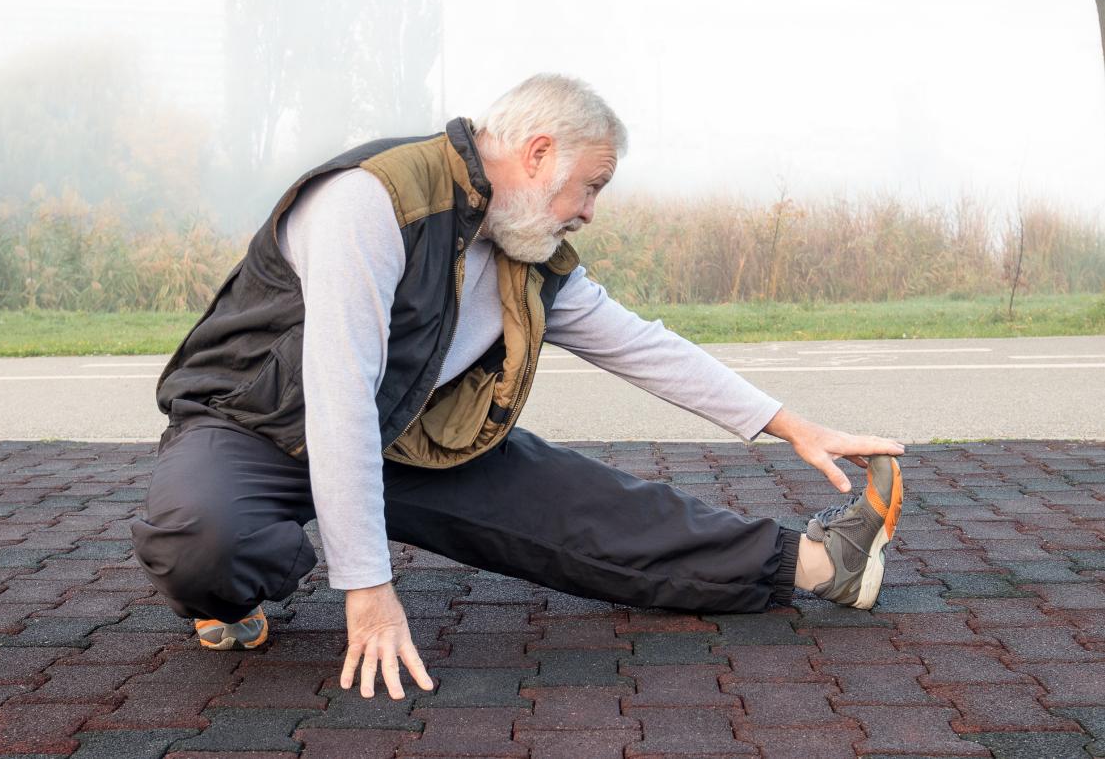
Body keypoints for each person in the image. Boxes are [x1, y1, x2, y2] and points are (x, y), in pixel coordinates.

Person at [131, 73, 904, 702]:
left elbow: (640, 345)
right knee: (204, 543)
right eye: (589, 186)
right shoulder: (372, 200)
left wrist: (790, 424)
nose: (590, 212)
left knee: (582, 508)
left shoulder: (525, 245)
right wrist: (365, 586)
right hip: (252, 428)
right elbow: (337, 394)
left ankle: (817, 563)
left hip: (407, 430)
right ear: (537, 154)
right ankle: (231, 601)